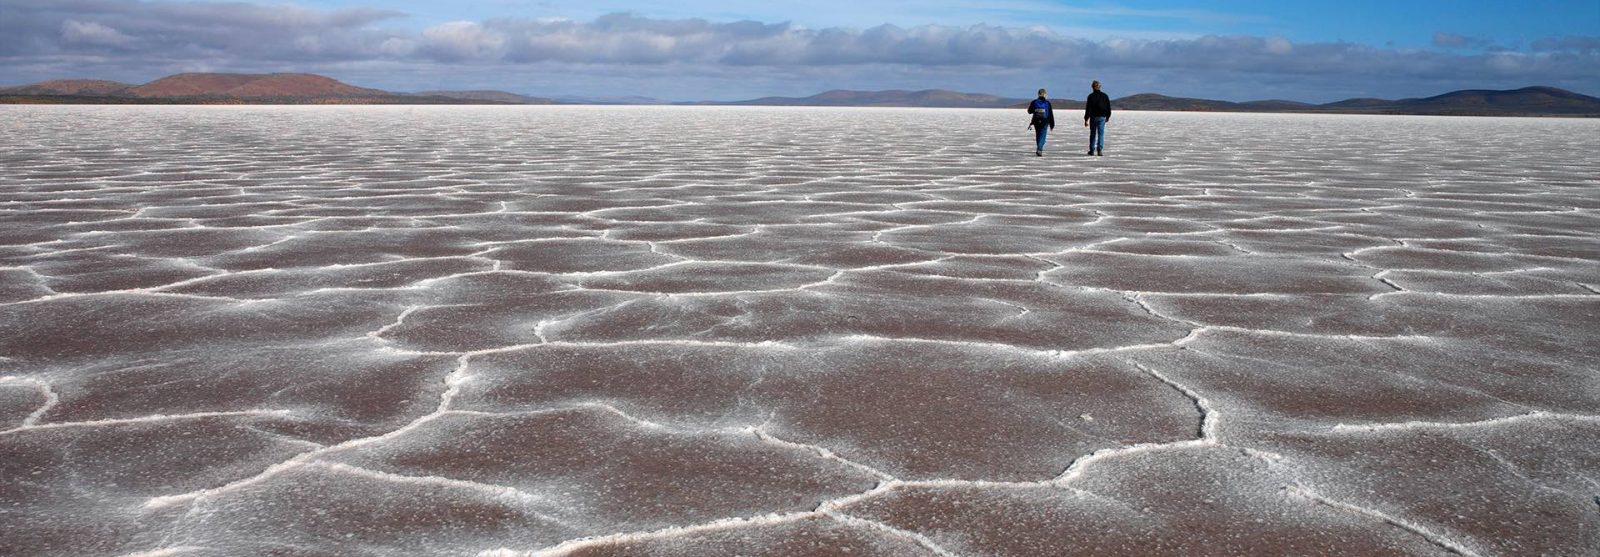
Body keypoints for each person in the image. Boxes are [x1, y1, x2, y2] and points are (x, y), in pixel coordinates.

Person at [1084, 80, 1111, 156]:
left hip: (1093, 117)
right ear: (1099, 87)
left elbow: (1088, 109)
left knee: (1093, 134)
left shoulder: (1091, 96)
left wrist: (1086, 119)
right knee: (1101, 134)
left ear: (1092, 87)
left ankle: (1092, 150)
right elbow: (1108, 107)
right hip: (1102, 117)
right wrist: (1108, 116)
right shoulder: (1105, 96)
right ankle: (1099, 149)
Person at [1026, 89, 1054, 156]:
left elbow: (1029, 111)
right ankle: (1039, 149)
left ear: (1038, 94)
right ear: (1045, 94)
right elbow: (1050, 114)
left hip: (1036, 121)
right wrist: (1052, 124)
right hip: (1045, 121)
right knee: (1043, 136)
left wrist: (1036, 110)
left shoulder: (1034, 102)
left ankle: (1039, 148)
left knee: (1038, 135)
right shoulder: (1047, 103)